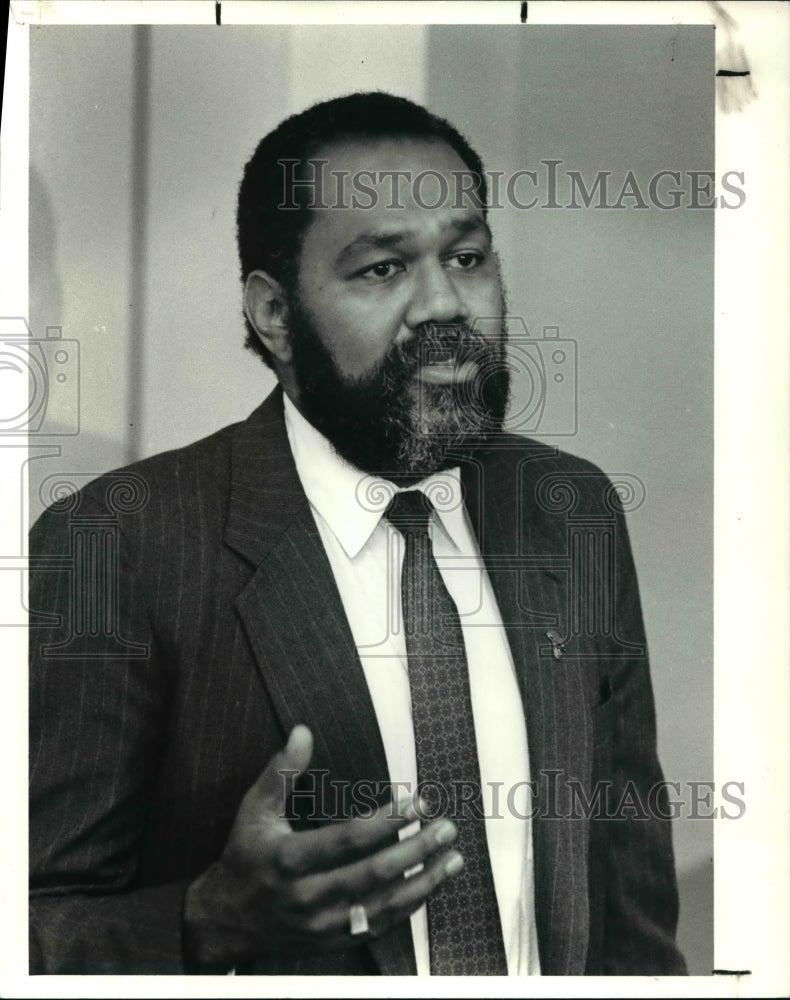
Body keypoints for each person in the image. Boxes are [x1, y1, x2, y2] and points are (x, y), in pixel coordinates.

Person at [28, 92, 687, 976]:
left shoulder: (572, 510)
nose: (444, 304)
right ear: (274, 314)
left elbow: (629, 912)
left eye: (468, 256)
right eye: (381, 269)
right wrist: (205, 921)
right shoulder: (120, 543)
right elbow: (28, 924)